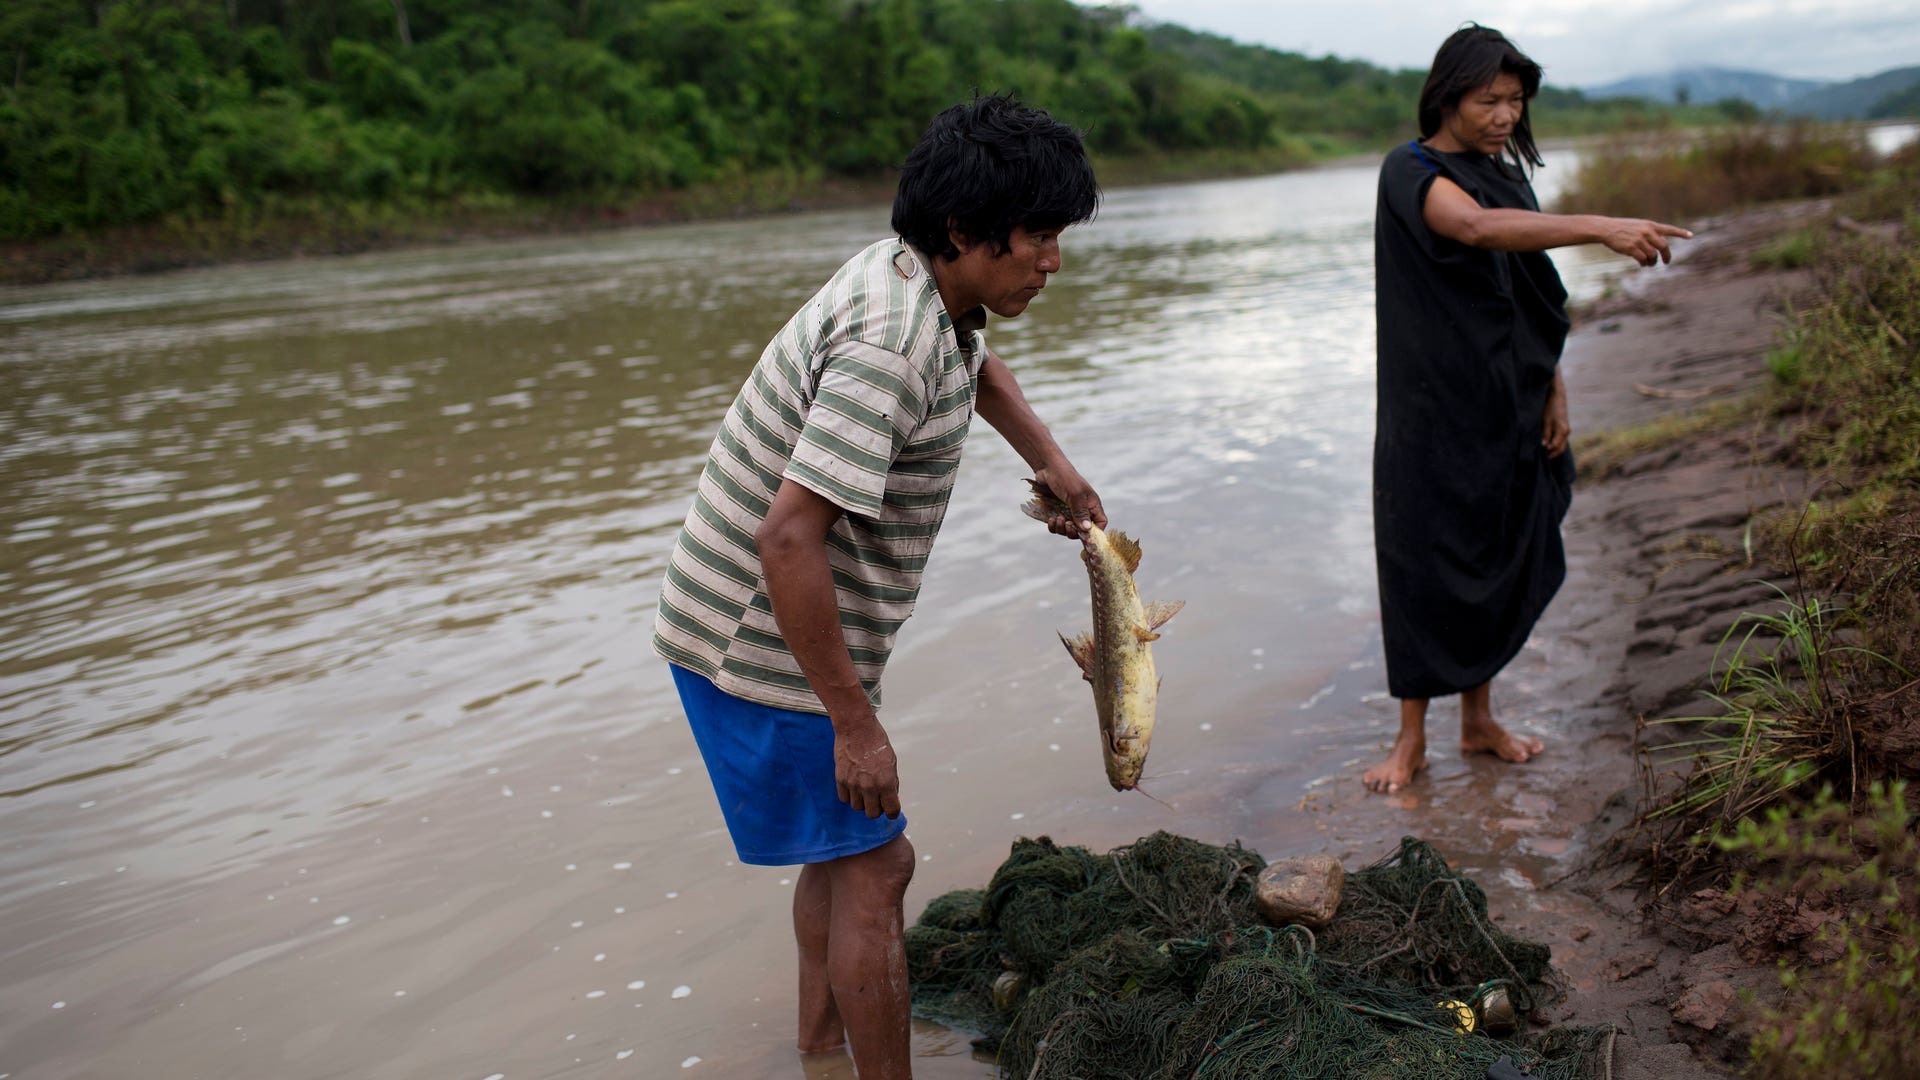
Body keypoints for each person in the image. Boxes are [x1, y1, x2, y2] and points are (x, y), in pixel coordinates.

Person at [651, 95, 1104, 1079]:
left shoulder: (926, 288)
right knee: (878, 863)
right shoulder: (886, 347)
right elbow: (786, 541)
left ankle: (819, 1045)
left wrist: (1051, 462)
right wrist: (852, 720)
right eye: (1037, 237)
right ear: (962, 230)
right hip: (758, 639)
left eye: (1057, 236)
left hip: (767, 624)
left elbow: (975, 367)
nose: (1053, 260)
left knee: (843, 848)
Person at [1365, 25, 1692, 794]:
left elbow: (1528, 295)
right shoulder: (1408, 169)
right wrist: (1603, 226)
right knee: (1421, 558)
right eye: (1489, 100)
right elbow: (1473, 229)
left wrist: (1555, 387)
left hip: (1509, 399)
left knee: (1500, 548)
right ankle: (1409, 739)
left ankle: (1477, 721)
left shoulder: (1507, 173)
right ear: (1448, 96)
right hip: (1430, 407)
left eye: (1515, 100)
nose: (1505, 114)